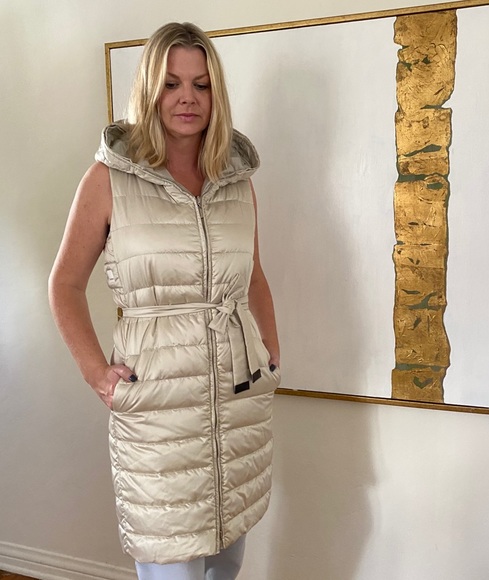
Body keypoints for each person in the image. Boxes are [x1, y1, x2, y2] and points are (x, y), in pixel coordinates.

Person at [48, 22, 280, 580]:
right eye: (172, 83)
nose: (187, 98)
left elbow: (252, 275)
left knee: (227, 562)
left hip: (237, 402)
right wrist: (96, 373)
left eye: (201, 85)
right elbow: (65, 284)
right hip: (157, 409)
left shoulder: (236, 181)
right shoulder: (107, 179)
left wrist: (271, 354)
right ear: (150, 89)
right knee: (170, 565)